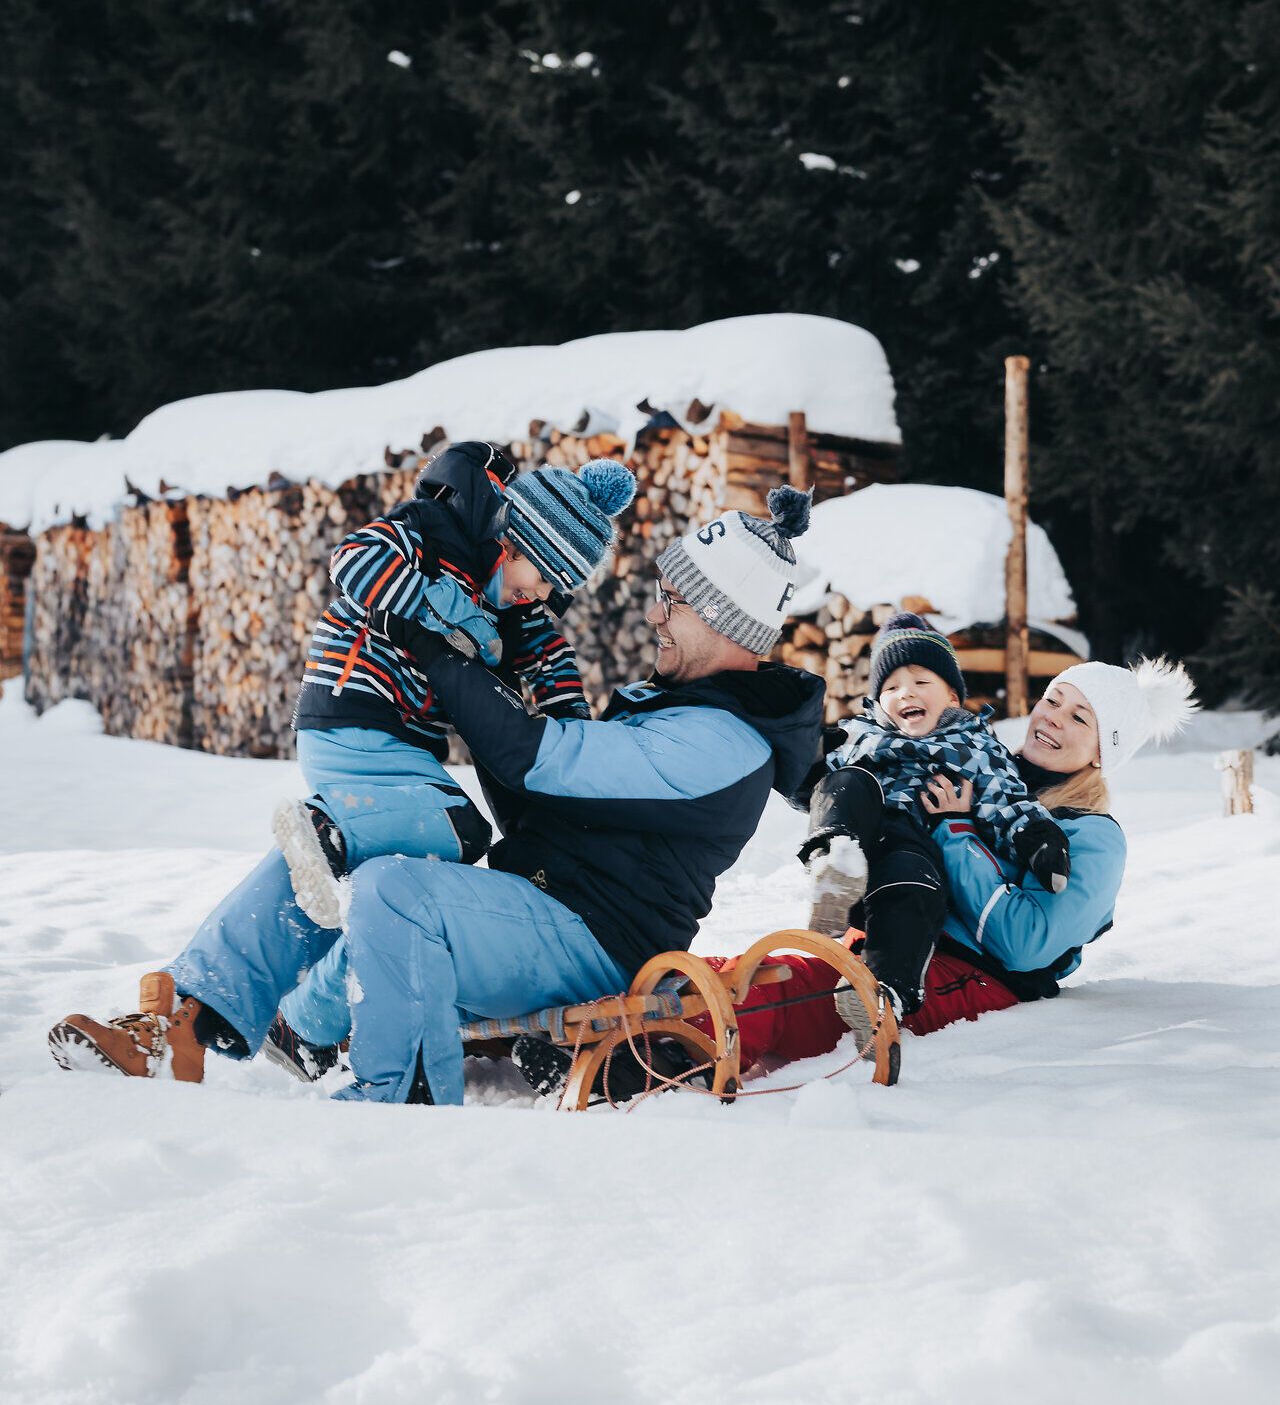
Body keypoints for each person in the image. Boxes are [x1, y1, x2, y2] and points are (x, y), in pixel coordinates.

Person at [48, 485, 826, 1106]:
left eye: (673, 601)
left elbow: (532, 759)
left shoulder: (722, 741)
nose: (655, 614)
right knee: (357, 848)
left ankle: (399, 1096)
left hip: (590, 944)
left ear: (724, 618)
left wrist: (428, 638)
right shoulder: (677, 709)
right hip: (535, 914)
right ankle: (183, 1021)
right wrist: (494, 663)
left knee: (396, 890)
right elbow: (537, 800)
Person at [46, 442, 636, 1082]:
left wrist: (582, 739)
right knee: (460, 829)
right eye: (543, 575)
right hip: (354, 707)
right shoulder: (430, 534)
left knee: (400, 881)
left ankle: (204, 1024)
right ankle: (329, 837)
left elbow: (554, 671)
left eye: (556, 588)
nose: (541, 595)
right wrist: (438, 608)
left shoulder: (518, 609)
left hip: (400, 747)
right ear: (513, 539)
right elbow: (353, 559)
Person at [720, 655, 1197, 1070]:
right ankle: (684, 997)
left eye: (1079, 718)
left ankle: (694, 1040)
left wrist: (955, 831)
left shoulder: (1092, 836)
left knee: (791, 993)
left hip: (972, 974)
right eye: (1052, 700)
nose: (1053, 719)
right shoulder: (975, 762)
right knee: (761, 973)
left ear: (1102, 754)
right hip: (892, 933)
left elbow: (1028, 944)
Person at [799, 611, 1072, 1020]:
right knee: (846, 782)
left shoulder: (974, 747)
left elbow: (1005, 799)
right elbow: (809, 786)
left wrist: (1037, 837)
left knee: (912, 891)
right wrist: (801, 753)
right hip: (860, 840)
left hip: (913, 854)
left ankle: (885, 991)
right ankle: (835, 865)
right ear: (877, 702)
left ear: (953, 698)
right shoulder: (858, 737)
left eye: (921, 683)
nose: (906, 694)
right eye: (891, 687)